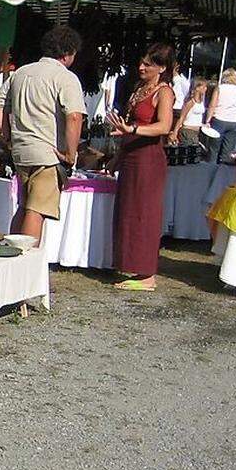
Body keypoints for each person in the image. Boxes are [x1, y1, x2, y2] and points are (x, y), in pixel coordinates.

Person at [0, 26, 86, 244]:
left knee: (25, 206)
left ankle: (12, 257)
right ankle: (26, 263)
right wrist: (70, 152)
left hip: (22, 150)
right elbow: (74, 117)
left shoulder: (21, 72)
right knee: (36, 210)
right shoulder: (65, 77)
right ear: (68, 53)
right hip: (48, 153)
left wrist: (7, 136)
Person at [106, 43, 175, 291]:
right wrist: (117, 157)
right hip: (132, 156)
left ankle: (147, 274)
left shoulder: (164, 92)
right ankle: (130, 263)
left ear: (162, 68)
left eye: (148, 64)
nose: (141, 67)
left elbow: (164, 126)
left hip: (148, 159)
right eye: (142, 62)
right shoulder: (139, 88)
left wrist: (133, 129)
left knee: (144, 214)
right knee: (128, 211)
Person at [203, 68, 236, 164]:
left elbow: (212, 105)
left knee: (213, 150)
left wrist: (207, 120)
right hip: (235, 122)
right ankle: (224, 171)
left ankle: (210, 171)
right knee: (228, 152)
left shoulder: (220, 88)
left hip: (219, 120)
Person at [169, 77, 208, 147]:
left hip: (197, 131)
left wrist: (203, 125)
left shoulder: (201, 101)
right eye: (204, 87)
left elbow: (196, 117)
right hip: (188, 131)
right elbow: (182, 118)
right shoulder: (190, 102)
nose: (206, 89)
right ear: (197, 88)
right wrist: (175, 132)